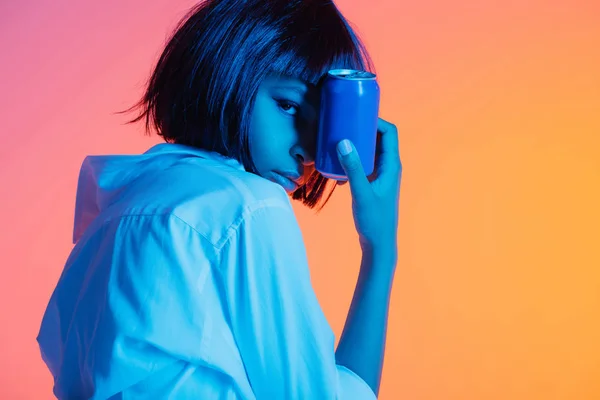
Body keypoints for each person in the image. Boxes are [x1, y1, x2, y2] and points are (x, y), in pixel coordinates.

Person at [37, 0, 402, 398]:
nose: (307, 151)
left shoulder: (121, 200)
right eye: (288, 105)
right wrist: (379, 248)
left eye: (323, 128)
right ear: (228, 72)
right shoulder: (249, 207)